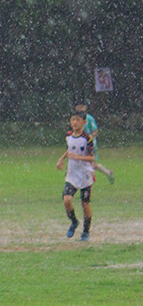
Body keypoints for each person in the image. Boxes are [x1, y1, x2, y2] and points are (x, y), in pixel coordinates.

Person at [57, 110, 95, 242]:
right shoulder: (68, 135)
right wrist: (61, 159)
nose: (75, 122)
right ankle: (74, 221)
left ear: (84, 122)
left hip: (85, 175)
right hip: (72, 175)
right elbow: (70, 149)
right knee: (67, 199)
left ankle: (86, 231)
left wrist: (78, 157)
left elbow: (92, 158)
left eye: (78, 120)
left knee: (85, 204)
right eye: (73, 119)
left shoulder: (87, 139)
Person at [75, 103, 114, 184]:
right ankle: (107, 172)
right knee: (89, 163)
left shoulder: (89, 118)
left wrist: (90, 139)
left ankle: (89, 181)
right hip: (82, 144)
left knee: (89, 162)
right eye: (78, 107)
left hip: (90, 144)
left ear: (84, 108)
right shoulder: (77, 119)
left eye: (81, 107)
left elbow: (95, 130)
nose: (79, 108)